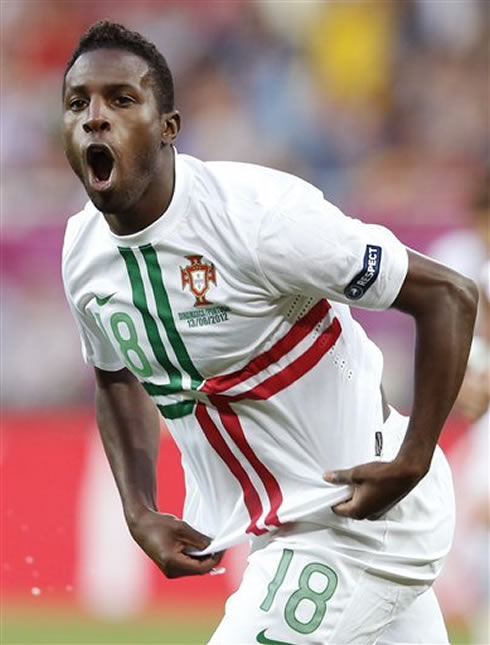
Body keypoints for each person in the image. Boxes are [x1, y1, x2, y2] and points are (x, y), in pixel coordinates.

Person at [61, 21, 478, 645]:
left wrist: (414, 456)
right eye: (78, 103)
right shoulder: (83, 253)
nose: (95, 117)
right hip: (281, 530)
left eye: (122, 99)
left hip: (357, 522)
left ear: (169, 127)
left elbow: (449, 294)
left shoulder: (258, 220)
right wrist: (138, 507)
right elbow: (117, 377)